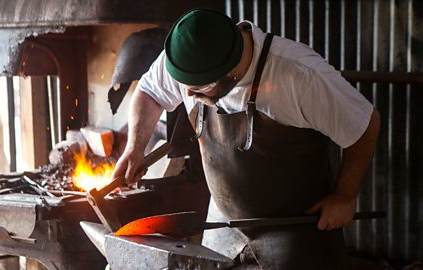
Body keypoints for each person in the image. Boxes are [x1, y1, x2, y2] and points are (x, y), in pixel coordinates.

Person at [112, 8, 380, 269]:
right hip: (224, 223)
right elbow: (149, 92)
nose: (189, 96)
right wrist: (135, 148)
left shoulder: (299, 75)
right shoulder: (189, 58)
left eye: (197, 89)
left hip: (296, 228)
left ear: (231, 73)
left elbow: (365, 124)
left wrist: (345, 196)